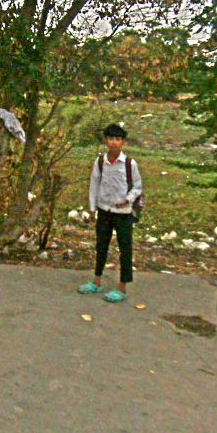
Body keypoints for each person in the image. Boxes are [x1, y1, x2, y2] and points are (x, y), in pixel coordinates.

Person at [79, 124, 143, 304]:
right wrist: (92, 208)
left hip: (123, 212)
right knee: (101, 245)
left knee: (125, 248)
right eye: (111, 138)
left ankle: (122, 287)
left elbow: (137, 187)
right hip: (104, 210)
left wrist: (127, 200)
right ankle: (96, 281)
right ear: (105, 140)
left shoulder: (129, 164)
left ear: (123, 142)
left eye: (118, 139)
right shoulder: (101, 161)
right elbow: (94, 185)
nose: (114, 142)